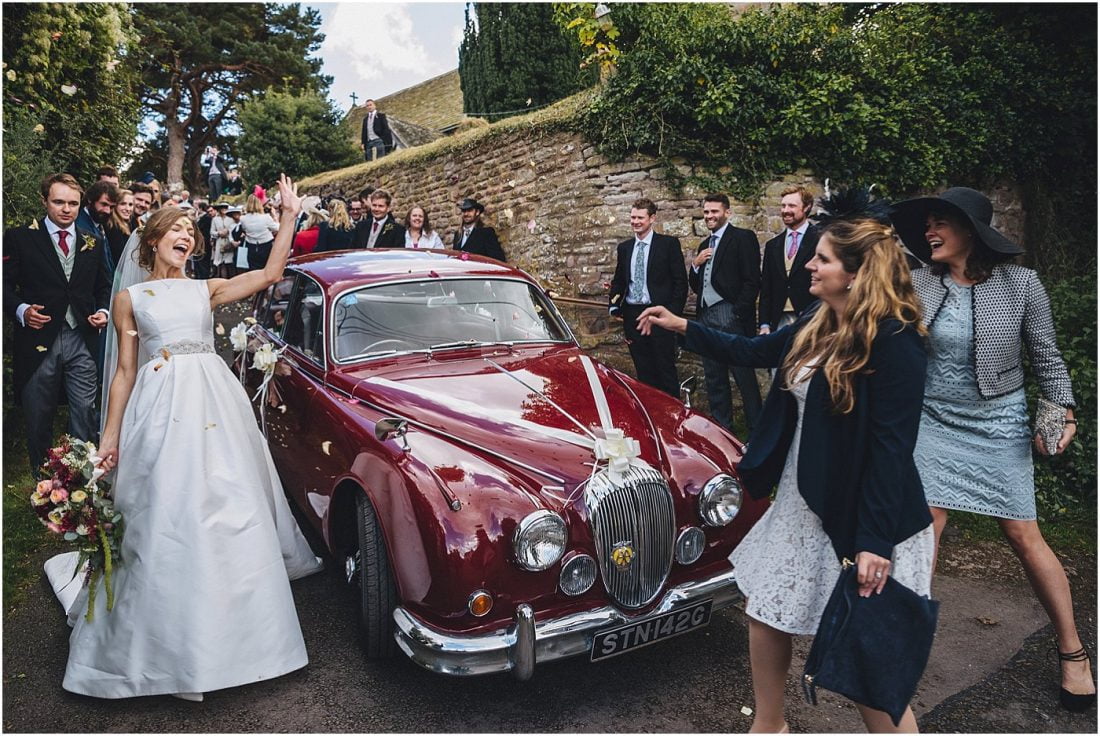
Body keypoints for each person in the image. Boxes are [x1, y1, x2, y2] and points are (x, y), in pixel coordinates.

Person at [638, 217, 935, 733]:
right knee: (767, 612)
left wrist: (874, 542)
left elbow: (892, 450)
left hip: (861, 512)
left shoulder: (895, 342)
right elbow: (754, 352)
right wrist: (682, 325)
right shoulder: (818, 319)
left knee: (864, 654)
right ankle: (769, 726)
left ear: (857, 273)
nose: (810, 266)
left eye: (822, 258)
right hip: (803, 498)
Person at [50, 174, 323, 701]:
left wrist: (287, 217)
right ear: (152, 241)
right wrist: (110, 436)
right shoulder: (131, 298)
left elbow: (269, 273)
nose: (185, 236)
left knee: (227, 500)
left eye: (188, 231)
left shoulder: (207, 288)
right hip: (159, 405)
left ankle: (236, 626)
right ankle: (167, 637)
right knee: (166, 509)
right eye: (174, 229)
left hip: (213, 404)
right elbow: (125, 371)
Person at [890, 187, 1096, 713]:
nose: (929, 232)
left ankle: (1073, 652)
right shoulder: (917, 283)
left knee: (1023, 535)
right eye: (927, 224)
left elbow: (1047, 358)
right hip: (932, 421)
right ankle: (900, 658)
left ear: (971, 232)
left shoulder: (1022, 285)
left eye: (940, 224)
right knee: (923, 531)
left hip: (998, 422)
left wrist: (1062, 411)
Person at [2, 173, 112, 473]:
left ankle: (81, 479)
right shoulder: (20, 237)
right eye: (59, 202)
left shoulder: (93, 240)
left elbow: (104, 286)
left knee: (85, 411)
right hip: (38, 339)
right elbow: (4, 285)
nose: (67, 209)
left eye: (73, 203)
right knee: (39, 414)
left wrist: (103, 310)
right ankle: (45, 482)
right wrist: (22, 310)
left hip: (82, 338)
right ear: (44, 201)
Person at [688, 193, 762, 431]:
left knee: (744, 378)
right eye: (706, 212)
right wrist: (695, 265)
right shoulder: (703, 245)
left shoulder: (742, 238)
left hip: (731, 315)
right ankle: (723, 430)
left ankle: (756, 431)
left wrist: (737, 313)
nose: (709, 216)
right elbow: (695, 286)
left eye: (714, 211)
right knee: (714, 377)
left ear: (727, 212)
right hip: (705, 315)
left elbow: (752, 280)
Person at [608, 198, 687, 397]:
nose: (635, 221)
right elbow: (619, 280)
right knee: (643, 371)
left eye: (640, 218)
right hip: (633, 315)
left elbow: (680, 283)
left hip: (659, 314)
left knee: (665, 368)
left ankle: (672, 417)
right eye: (633, 217)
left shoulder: (668, 244)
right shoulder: (625, 248)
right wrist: (614, 306)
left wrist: (671, 314)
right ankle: (650, 416)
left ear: (652, 218)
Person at [759, 185, 820, 334]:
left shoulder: (820, 238)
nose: (785, 210)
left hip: (812, 317)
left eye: (792, 206)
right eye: (783, 205)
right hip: (779, 319)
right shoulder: (773, 245)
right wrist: (764, 324)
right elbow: (767, 287)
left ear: (806, 207)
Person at [76, 180, 120, 274]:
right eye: (104, 204)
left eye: (112, 207)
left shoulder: (99, 223)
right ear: (90, 200)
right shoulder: (80, 227)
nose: (107, 211)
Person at [240, 193, 279, 271]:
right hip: (266, 246)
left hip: (251, 247)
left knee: (254, 271)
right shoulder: (266, 217)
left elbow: (244, 229)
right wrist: (275, 217)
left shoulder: (243, 219)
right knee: (268, 269)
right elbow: (277, 228)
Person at [104, 189, 133, 273]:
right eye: (123, 204)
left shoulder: (127, 224)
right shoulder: (112, 227)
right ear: (115, 205)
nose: (128, 208)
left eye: (130, 205)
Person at [209, 202, 236, 279]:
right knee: (220, 262)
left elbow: (234, 229)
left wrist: (227, 231)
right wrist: (218, 233)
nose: (224, 209)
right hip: (219, 241)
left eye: (225, 208)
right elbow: (212, 232)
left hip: (229, 241)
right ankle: (221, 278)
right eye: (222, 208)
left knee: (229, 261)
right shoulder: (215, 219)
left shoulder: (231, 219)